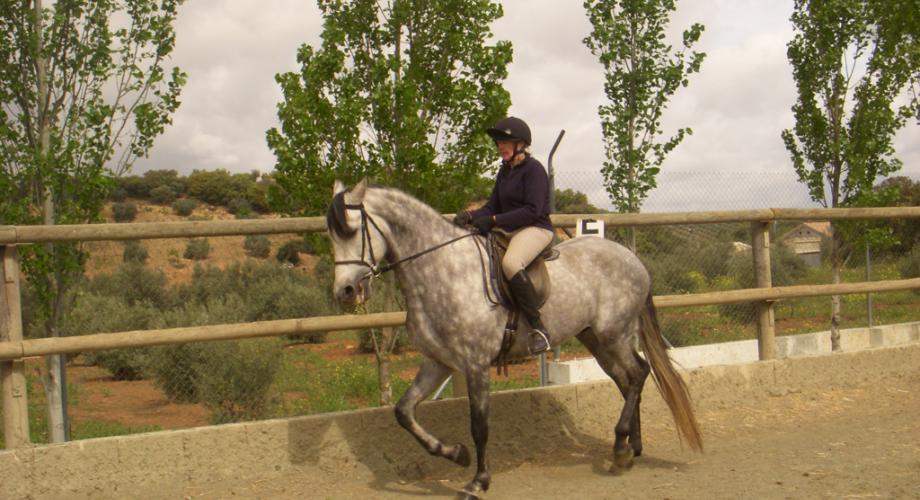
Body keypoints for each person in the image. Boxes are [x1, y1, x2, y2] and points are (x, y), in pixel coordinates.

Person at [453, 116, 554, 355]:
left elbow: (532, 210)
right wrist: (470, 216)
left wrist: (495, 221)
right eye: (498, 143)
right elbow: (493, 206)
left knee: (510, 263)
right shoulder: (505, 171)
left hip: (536, 228)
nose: (500, 147)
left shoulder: (534, 170)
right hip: (511, 229)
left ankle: (538, 327)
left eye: (505, 142)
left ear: (521, 144)